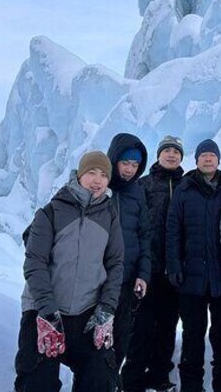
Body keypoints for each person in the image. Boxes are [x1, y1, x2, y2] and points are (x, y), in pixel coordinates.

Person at [14, 150, 124, 392]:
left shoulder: (109, 215)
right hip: (44, 311)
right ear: (79, 175)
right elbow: (35, 263)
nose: (97, 180)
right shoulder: (51, 212)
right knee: (36, 381)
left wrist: (107, 308)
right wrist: (47, 312)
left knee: (100, 379)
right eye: (92, 173)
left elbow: (115, 264)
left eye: (104, 175)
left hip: (88, 312)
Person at [166, 139, 221, 392]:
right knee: (193, 336)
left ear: (218, 160)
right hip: (191, 279)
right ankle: (191, 387)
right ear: (196, 161)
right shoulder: (185, 189)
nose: (208, 159)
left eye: (212, 155)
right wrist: (174, 265)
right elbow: (173, 230)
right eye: (203, 155)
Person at [121, 135, 185, 392]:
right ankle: (132, 379)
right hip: (147, 269)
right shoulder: (143, 185)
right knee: (142, 327)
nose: (171, 154)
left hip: (174, 271)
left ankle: (160, 376)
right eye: (167, 150)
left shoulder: (186, 185)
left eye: (176, 151)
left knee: (168, 326)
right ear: (159, 155)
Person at [105, 134, 152, 380]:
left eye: (135, 165)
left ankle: (111, 383)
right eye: (126, 163)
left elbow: (145, 236)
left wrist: (143, 274)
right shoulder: (100, 186)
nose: (130, 170)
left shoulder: (137, 192)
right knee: (97, 343)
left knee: (121, 340)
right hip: (99, 281)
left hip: (126, 282)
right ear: (114, 160)